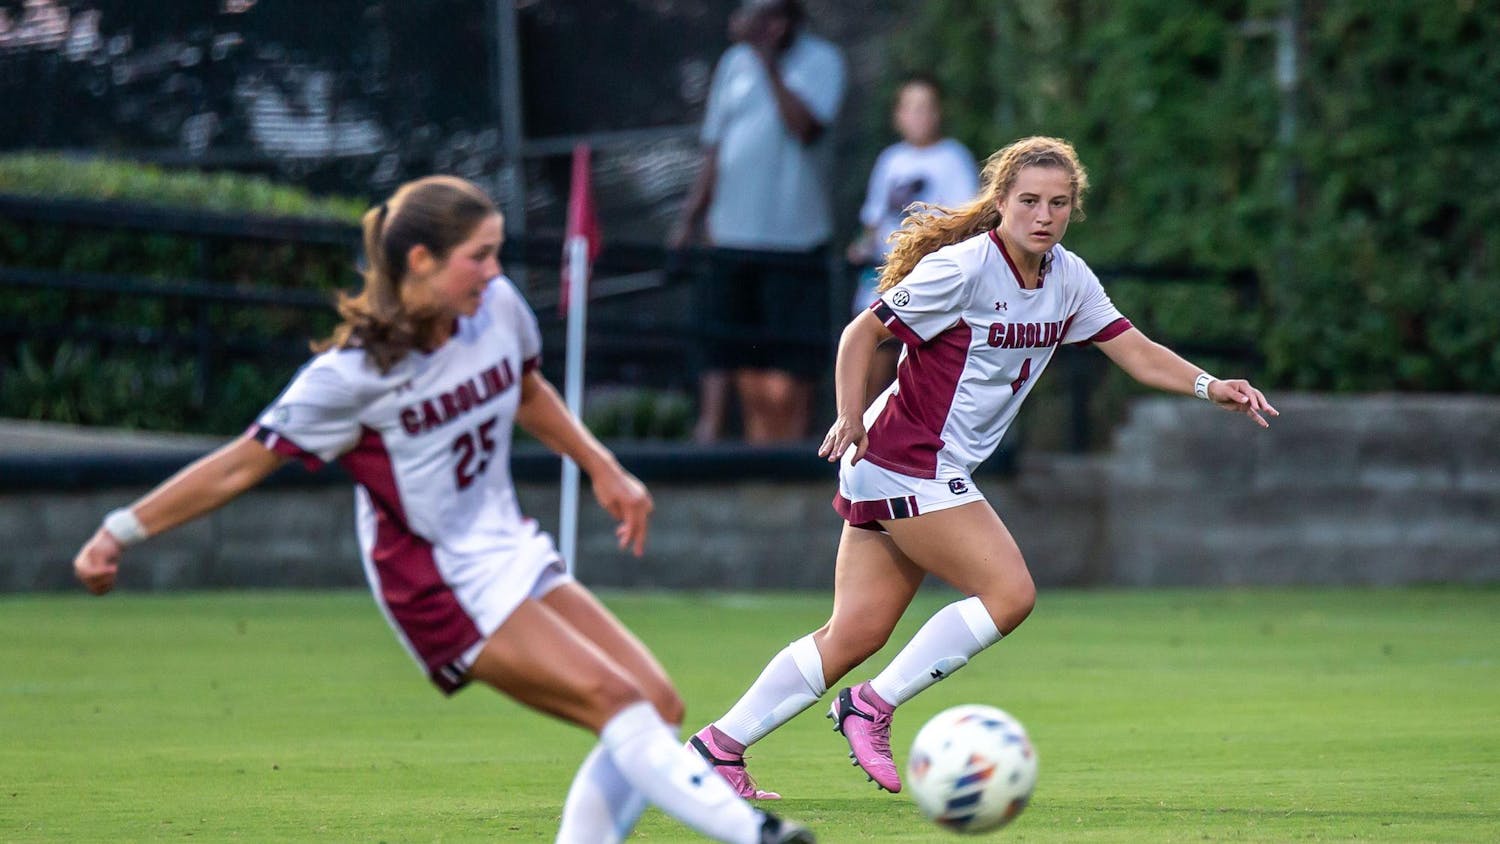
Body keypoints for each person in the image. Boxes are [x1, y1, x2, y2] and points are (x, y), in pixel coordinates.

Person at [71, 176, 816, 844]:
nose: (495, 272)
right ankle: (755, 835)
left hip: (507, 547)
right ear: (420, 260)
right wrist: (119, 531)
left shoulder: (496, 310)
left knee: (655, 701)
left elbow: (526, 391)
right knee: (616, 701)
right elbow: (237, 465)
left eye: (496, 254)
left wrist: (604, 467)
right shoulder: (351, 377)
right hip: (432, 578)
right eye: (478, 256)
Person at [687, 137, 1278, 800]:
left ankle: (717, 749)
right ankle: (870, 707)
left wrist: (1210, 386)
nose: (1043, 214)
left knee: (854, 633)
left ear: (1072, 210)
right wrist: (849, 415)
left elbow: (1136, 353)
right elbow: (863, 333)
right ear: (1001, 203)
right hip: (906, 459)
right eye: (1028, 200)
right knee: (1009, 594)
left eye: (1058, 203)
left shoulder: (1069, 277)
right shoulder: (966, 268)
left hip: (910, 466)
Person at [672, 0, 846, 444]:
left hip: (794, 238)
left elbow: (805, 127)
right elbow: (714, 147)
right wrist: (691, 217)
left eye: (771, 16)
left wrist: (769, 64)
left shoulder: (823, 61)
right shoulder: (733, 63)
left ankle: (796, 450)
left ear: (789, 20)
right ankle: (714, 435)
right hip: (730, 235)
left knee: (792, 359)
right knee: (727, 344)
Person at [846, 74, 979, 407]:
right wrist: (861, 246)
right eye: (911, 107)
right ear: (898, 115)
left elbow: (965, 222)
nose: (919, 116)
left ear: (938, 113)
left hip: (927, 279)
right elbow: (873, 221)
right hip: (881, 277)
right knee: (872, 359)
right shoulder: (890, 160)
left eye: (926, 107)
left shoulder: (953, 158)